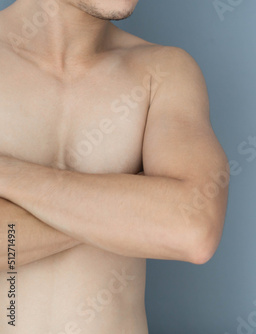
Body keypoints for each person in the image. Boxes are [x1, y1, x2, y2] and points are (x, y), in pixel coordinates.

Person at [0, 0, 229, 332]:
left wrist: (10, 174)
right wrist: (135, 212)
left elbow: (193, 229)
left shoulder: (163, 71)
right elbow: (173, 221)